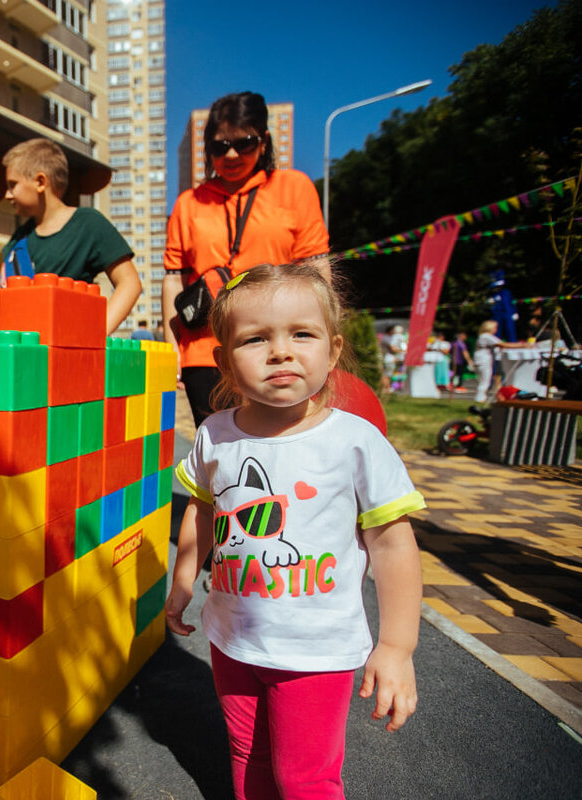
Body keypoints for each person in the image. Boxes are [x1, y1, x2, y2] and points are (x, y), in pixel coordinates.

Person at [165, 262, 424, 800]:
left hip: (314, 653)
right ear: (224, 363)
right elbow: (203, 510)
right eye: (256, 339)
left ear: (331, 351)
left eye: (300, 334)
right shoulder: (215, 435)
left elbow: (394, 543)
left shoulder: (354, 441)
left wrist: (396, 647)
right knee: (246, 755)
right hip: (233, 640)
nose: (280, 352)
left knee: (303, 778)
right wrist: (183, 581)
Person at [163, 92, 329, 426]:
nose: (232, 154)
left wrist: (317, 336)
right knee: (221, 457)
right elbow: (173, 277)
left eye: (245, 142)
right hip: (206, 352)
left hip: (277, 349)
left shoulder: (294, 188)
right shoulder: (189, 203)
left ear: (264, 141)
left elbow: (316, 268)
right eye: (220, 146)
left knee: (282, 447)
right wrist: (172, 349)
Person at [0, 137, 141, 334]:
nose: (7, 194)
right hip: (25, 354)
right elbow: (1, 297)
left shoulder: (89, 223)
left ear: (40, 182)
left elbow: (129, 282)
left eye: (12, 184)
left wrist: (93, 336)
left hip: (68, 353)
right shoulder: (18, 239)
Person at [473, 319, 525, 403]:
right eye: (495, 328)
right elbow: (502, 344)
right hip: (483, 360)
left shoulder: (483, 336)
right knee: (484, 380)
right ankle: (480, 398)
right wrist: (522, 345)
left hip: (482, 360)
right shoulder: (486, 336)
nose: (496, 330)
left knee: (484, 380)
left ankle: (481, 397)